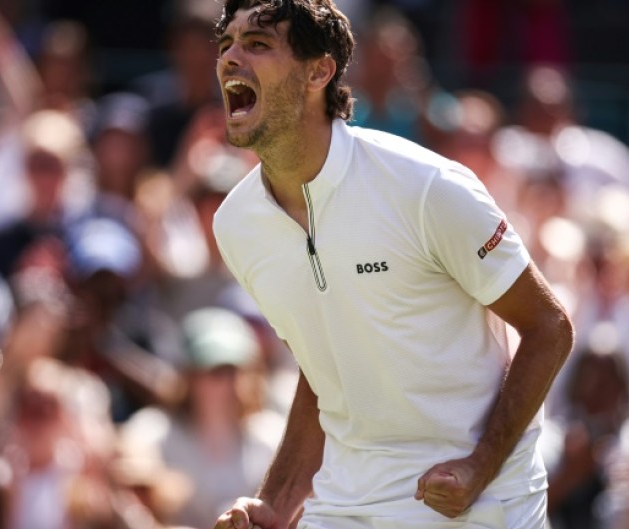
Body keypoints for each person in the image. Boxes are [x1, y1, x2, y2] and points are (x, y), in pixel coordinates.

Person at [209, 1, 574, 529]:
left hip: (482, 505)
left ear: (319, 71)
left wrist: (480, 465)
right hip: (345, 505)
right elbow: (326, 364)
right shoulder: (236, 226)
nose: (230, 59)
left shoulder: (426, 187)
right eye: (226, 46)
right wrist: (278, 502)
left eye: (258, 44)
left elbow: (549, 327)